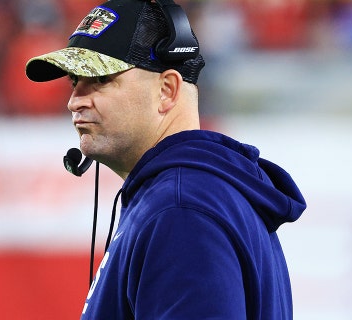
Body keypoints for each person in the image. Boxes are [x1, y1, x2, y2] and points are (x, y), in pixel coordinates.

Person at [25, 0, 307, 319]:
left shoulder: (181, 210)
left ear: (167, 90)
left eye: (100, 80)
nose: (74, 101)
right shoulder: (192, 195)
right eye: (74, 82)